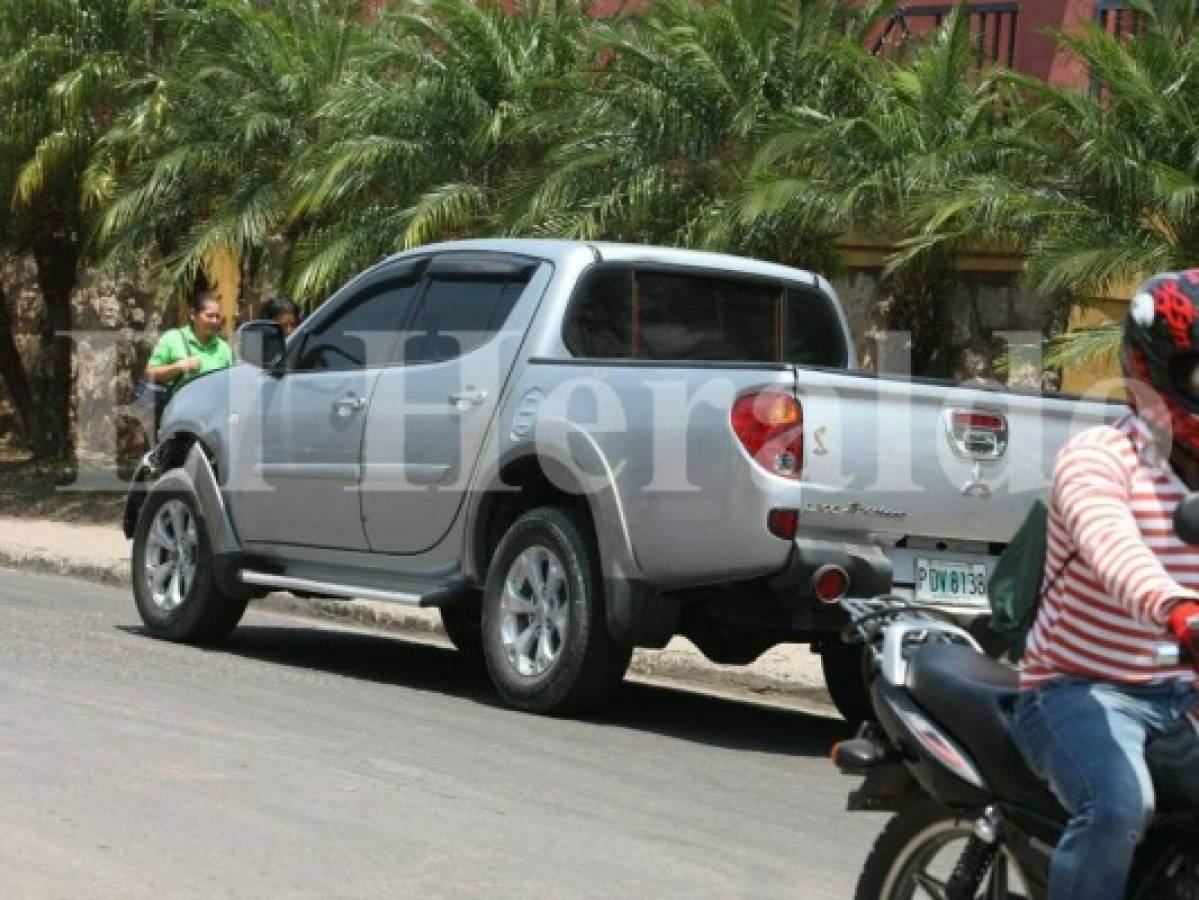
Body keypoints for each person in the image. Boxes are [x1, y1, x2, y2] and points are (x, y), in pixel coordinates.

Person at [1011, 270, 1199, 900]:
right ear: (1150, 368)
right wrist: (1176, 608)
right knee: (1118, 804)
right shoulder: (1099, 459)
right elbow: (1112, 545)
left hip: (1181, 695)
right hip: (1074, 689)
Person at [145, 291, 233, 396]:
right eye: (209, 316)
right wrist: (178, 367)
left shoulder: (224, 348)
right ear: (193, 315)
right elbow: (150, 373)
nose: (214, 321)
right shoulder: (173, 338)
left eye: (217, 316)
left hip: (214, 410)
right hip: (179, 409)